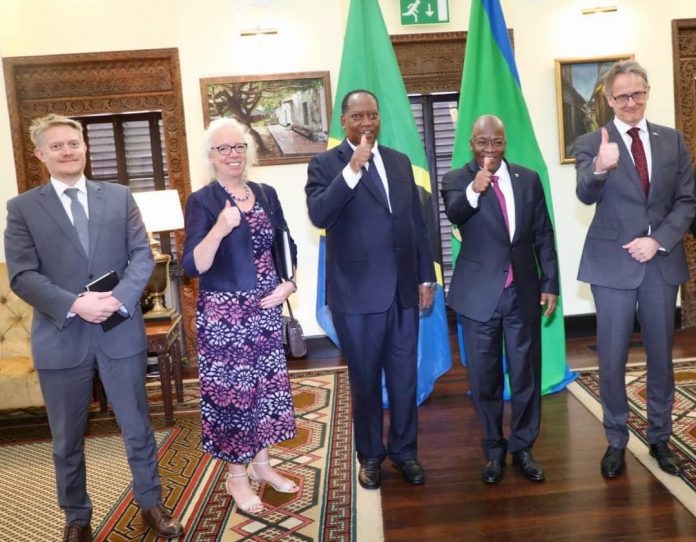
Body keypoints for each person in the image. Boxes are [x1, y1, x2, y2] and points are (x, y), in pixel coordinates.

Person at [3, 114, 184, 541]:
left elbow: (142, 255)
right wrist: (75, 303)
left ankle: (151, 503)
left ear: (85, 147)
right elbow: (22, 275)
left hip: (119, 331)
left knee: (137, 426)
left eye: (73, 143)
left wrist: (118, 298)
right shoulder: (23, 208)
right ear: (40, 154)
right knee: (66, 439)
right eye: (57, 146)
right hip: (60, 336)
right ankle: (76, 517)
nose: (67, 151)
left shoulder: (119, 197)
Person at [305, 89, 436, 490]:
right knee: (364, 382)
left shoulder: (398, 161)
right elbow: (319, 214)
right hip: (356, 295)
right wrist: (352, 170)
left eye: (373, 115)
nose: (367, 123)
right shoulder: (325, 164)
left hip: (403, 292)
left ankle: (405, 452)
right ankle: (371, 456)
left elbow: (415, 222)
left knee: (404, 378)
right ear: (343, 121)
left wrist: (425, 276)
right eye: (358, 116)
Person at [575, 60, 696, 479]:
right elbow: (584, 193)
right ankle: (615, 440)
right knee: (611, 358)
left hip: (659, 262)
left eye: (637, 94)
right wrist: (600, 167)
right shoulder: (592, 141)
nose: (630, 102)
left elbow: (687, 200)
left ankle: (660, 438)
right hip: (611, 266)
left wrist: (657, 240)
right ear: (609, 100)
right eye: (622, 96)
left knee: (662, 356)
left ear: (647, 93)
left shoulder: (672, 140)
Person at [182, 117, 299, 515]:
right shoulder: (203, 201)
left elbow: (285, 243)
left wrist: (289, 283)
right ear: (211, 156)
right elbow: (193, 265)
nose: (233, 154)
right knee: (234, 395)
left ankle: (262, 465)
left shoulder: (265, 193)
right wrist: (218, 229)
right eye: (223, 148)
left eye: (238, 147)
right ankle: (236, 477)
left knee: (264, 391)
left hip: (265, 311)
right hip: (225, 317)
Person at [441, 115, 559, 485]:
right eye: (482, 142)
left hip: (522, 293)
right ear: (471, 143)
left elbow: (542, 233)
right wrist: (475, 190)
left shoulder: (528, 179)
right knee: (485, 379)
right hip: (479, 297)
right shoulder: (456, 180)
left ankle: (523, 447)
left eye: (497, 142)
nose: (489, 149)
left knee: (526, 375)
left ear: (505, 142)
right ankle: (494, 449)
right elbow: (455, 213)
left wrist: (550, 282)